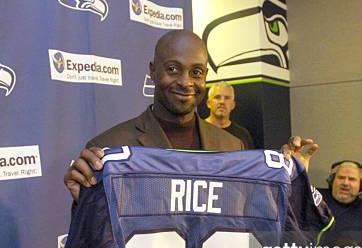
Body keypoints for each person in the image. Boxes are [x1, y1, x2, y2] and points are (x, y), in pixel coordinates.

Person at [64, 29, 318, 201]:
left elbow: (252, 219)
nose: (186, 82)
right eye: (173, 69)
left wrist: (290, 174)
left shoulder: (231, 145)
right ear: (153, 71)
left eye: (196, 72)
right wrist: (83, 198)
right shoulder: (108, 148)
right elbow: (93, 242)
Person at [204, 81, 255, 149]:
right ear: (208, 103)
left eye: (227, 98)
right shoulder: (197, 131)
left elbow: (250, 159)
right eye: (217, 97)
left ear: (232, 105)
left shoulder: (242, 134)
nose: (222, 102)